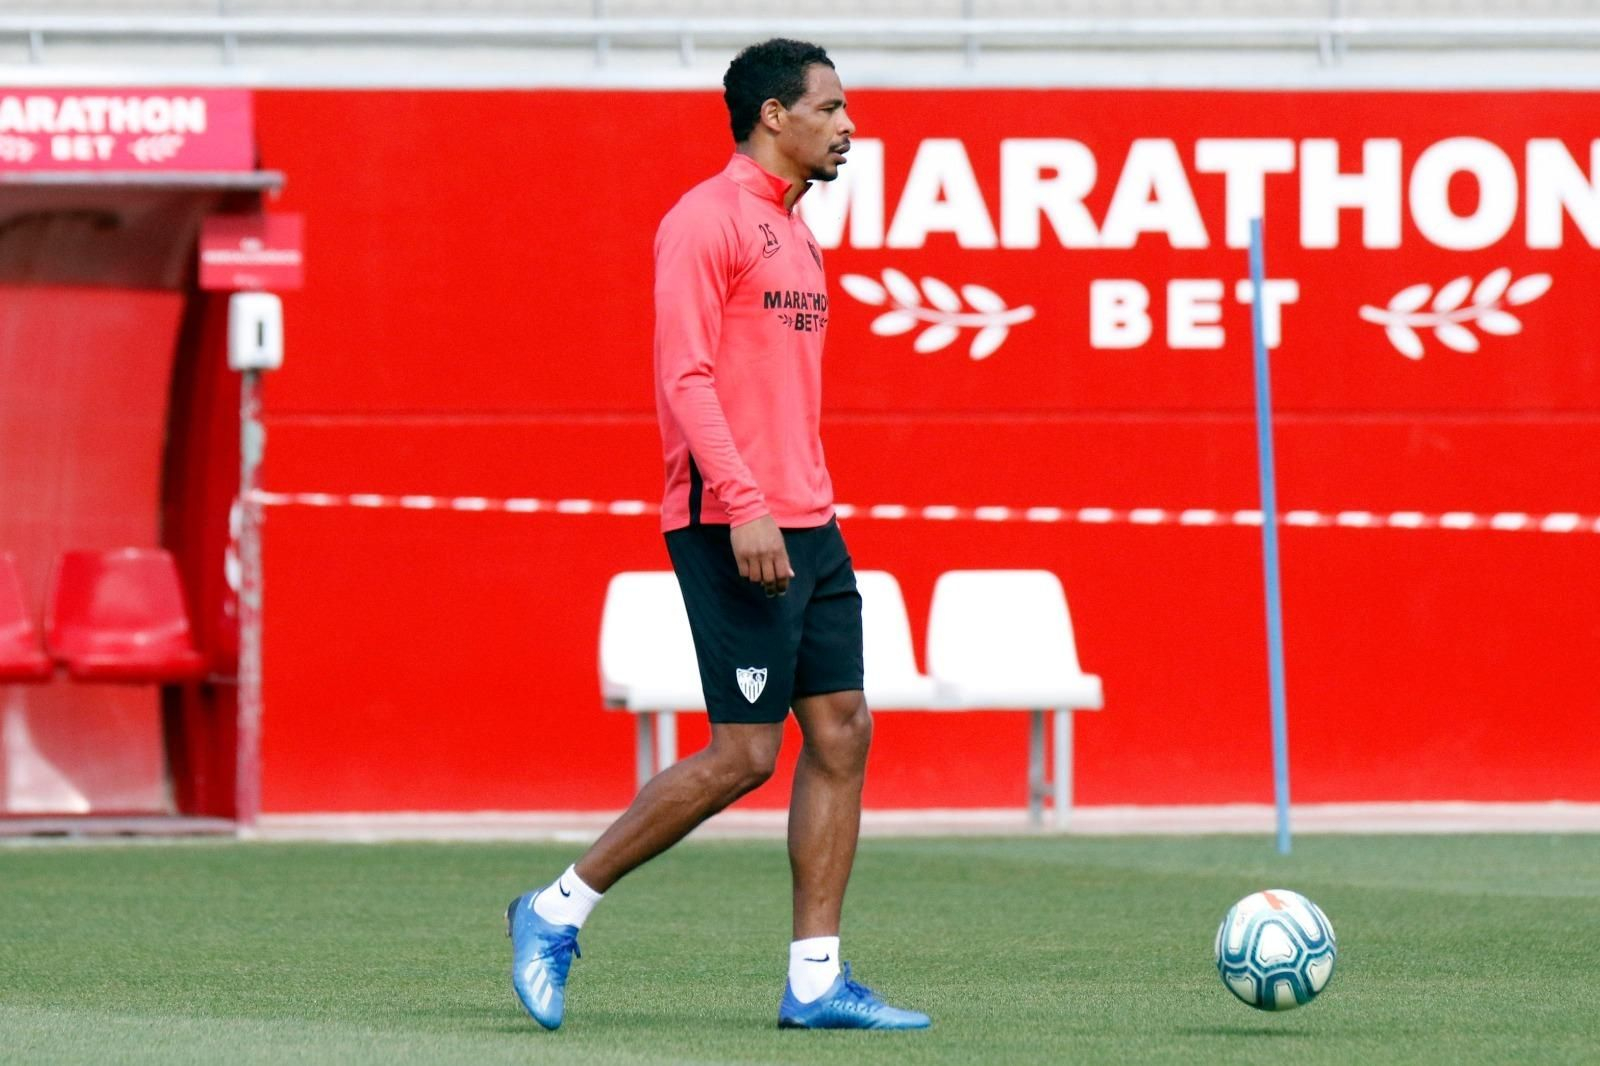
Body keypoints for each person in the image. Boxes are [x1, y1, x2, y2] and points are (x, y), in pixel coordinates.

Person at [506, 38, 930, 1033]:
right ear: (774, 117)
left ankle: (817, 980)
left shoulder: (794, 230)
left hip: (810, 520)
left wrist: (795, 506)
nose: (847, 124)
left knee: (842, 730)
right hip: (734, 519)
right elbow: (684, 377)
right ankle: (554, 909)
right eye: (828, 108)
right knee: (743, 753)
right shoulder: (704, 220)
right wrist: (743, 503)